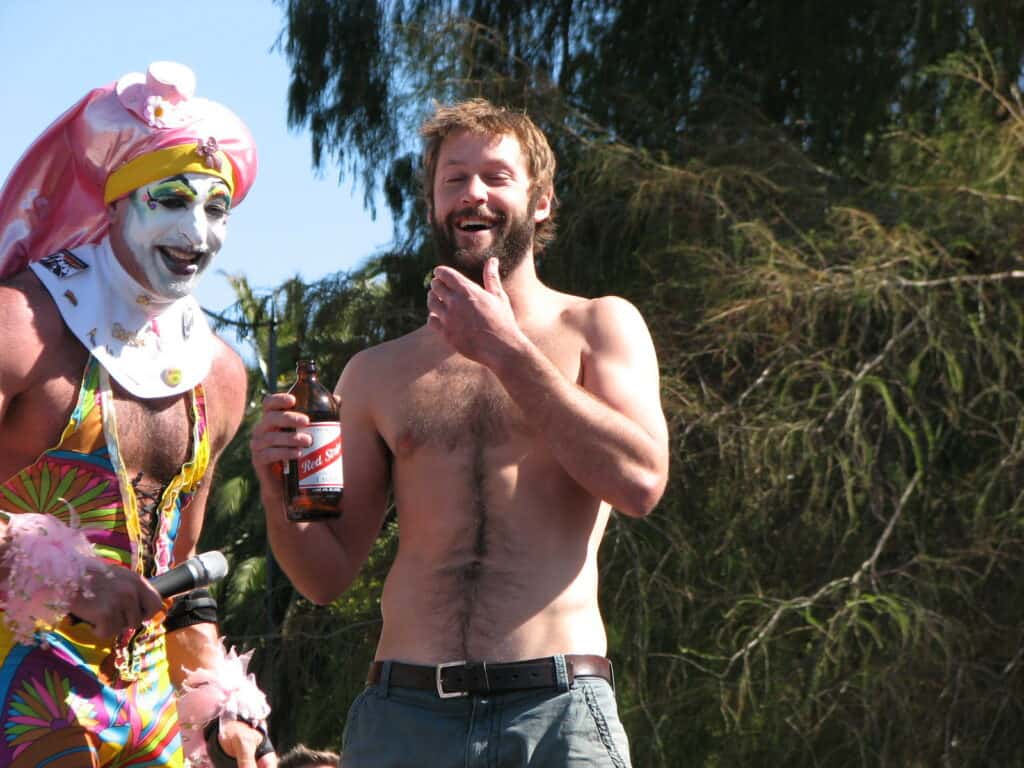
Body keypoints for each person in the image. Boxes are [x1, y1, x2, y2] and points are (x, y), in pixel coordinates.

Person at [251, 98, 670, 766]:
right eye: (455, 179)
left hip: (556, 713)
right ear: (432, 205)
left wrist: (506, 352)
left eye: (497, 176)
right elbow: (325, 576)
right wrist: (279, 493)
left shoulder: (598, 327)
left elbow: (641, 482)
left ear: (542, 201)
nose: (474, 192)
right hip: (403, 715)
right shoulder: (376, 373)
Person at [0, 62, 275, 768]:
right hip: (18, 682)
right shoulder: (21, 327)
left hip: (149, 708)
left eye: (217, 210)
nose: (197, 232)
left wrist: (225, 712)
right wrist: (71, 580)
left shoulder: (218, 373)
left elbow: (179, 583)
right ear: (119, 203)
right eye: (173, 200)